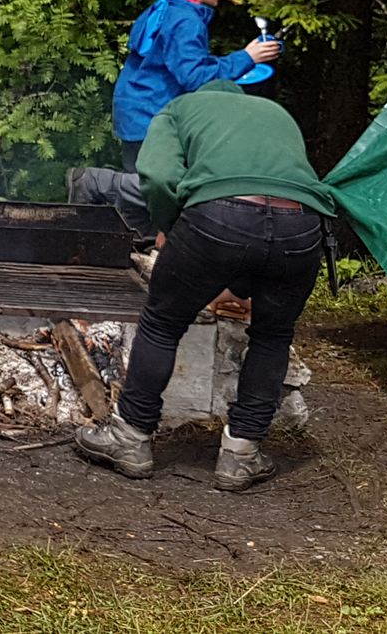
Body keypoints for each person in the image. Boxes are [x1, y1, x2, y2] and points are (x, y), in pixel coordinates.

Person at [72, 81, 337, 491]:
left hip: (219, 216)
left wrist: (169, 225)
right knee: (272, 335)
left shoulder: (179, 109)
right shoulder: (275, 112)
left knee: (163, 322)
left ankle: (131, 436)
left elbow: (158, 176)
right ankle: (241, 454)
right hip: (301, 226)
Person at [111, 0, 280, 171]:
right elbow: (195, 77)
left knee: (139, 180)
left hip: (136, 111)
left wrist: (245, 56)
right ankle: (92, 182)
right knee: (151, 186)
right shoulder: (186, 22)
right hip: (151, 117)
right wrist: (248, 57)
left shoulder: (169, 5)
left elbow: (181, 63)